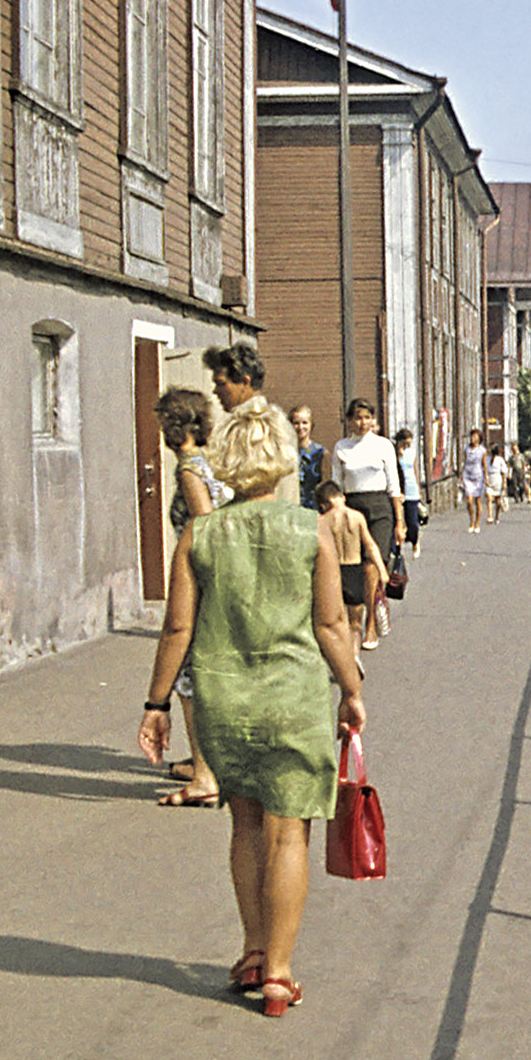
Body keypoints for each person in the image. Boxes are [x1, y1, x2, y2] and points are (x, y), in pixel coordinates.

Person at [138, 397, 365, 1018]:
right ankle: (280, 976)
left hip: (226, 700)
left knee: (244, 825)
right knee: (288, 833)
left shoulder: (201, 533)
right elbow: (331, 623)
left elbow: (177, 628)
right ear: (282, 459)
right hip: (293, 699)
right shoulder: (310, 529)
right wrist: (351, 691)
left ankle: (253, 951)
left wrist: (157, 704)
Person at [155, 387, 232, 807]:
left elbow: (204, 524)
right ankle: (208, 762)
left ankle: (205, 775)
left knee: (189, 678)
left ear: (174, 426)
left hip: (201, 579)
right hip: (218, 577)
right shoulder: (208, 462)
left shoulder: (189, 470)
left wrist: (197, 585)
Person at [333, 398, 403, 581]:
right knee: (354, 564)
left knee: (372, 562)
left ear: (372, 419)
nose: (362, 423)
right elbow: (337, 486)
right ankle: (363, 598)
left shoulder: (384, 445)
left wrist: (399, 522)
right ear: (349, 420)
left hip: (379, 509)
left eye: (367, 418)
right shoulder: (341, 447)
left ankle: (372, 600)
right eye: (358, 418)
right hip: (352, 507)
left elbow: (394, 487)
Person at [317, 482, 387, 657]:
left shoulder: (324, 521)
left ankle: (341, 655)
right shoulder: (357, 517)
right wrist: (382, 570)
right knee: (355, 624)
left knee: (337, 622)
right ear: (342, 497)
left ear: (324, 504)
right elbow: (370, 545)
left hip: (333, 573)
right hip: (354, 571)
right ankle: (354, 655)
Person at [394, 427, 424, 560]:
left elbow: (415, 470)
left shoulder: (411, 452)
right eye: (405, 443)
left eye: (409, 443)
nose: (407, 446)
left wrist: (419, 488)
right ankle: (398, 549)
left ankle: (415, 542)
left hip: (411, 489)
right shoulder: (393, 452)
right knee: (398, 521)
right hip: (399, 490)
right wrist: (398, 455)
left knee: (412, 522)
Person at [291, 406, 326, 503]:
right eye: (296, 423)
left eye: (304, 423)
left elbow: (325, 485)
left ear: (311, 425)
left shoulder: (320, 453)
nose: (300, 427)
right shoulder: (285, 452)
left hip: (313, 505)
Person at [463, 431, 487, 533]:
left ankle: (477, 523)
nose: (472, 438)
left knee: (478, 501)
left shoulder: (482, 450)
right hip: (468, 476)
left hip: (478, 477)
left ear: (479, 438)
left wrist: (486, 478)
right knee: (469, 500)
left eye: (475, 436)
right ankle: (471, 521)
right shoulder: (467, 449)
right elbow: (464, 462)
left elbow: (484, 464)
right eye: (472, 436)